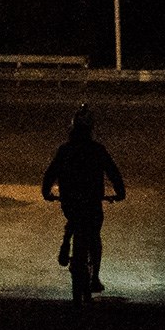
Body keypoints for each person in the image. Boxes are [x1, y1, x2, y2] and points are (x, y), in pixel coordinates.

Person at [40, 104, 126, 299]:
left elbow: (50, 174)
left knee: (74, 220)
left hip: (70, 202)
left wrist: (46, 192)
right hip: (92, 201)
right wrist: (120, 193)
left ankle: (66, 242)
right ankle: (94, 276)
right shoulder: (97, 150)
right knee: (94, 235)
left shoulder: (65, 150)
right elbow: (113, 173)